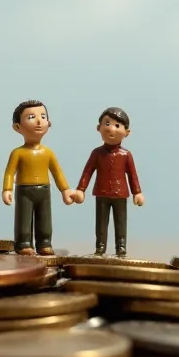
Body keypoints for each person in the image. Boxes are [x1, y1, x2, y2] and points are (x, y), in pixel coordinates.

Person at [2, 100, 77, 256]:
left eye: (43, 116)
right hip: (24, 190)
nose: (38, 121)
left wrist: (65, 190)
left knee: (45, 219)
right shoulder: (18, 153)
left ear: (48, 123)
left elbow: (57, 172)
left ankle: (44, 243)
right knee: (23, 219)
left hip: (44, 190)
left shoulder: (48, 152)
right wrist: (7, 189)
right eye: (31, 117)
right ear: (17, 127)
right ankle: (23, 244)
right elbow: (10, 172)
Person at [71, 107, 144, 256]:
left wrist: (137, 192)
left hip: (120, 194)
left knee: (121, 222)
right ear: (99, 128)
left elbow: (133, 175)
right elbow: (88, 172)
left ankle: (121, 246)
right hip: (102, 193)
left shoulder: (126, 155)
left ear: (127, 132)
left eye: (117, 126)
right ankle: (100, 246)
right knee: (101, 222)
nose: (112, 129)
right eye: (107, 123)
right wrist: (81, 189)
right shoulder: (97, 153)